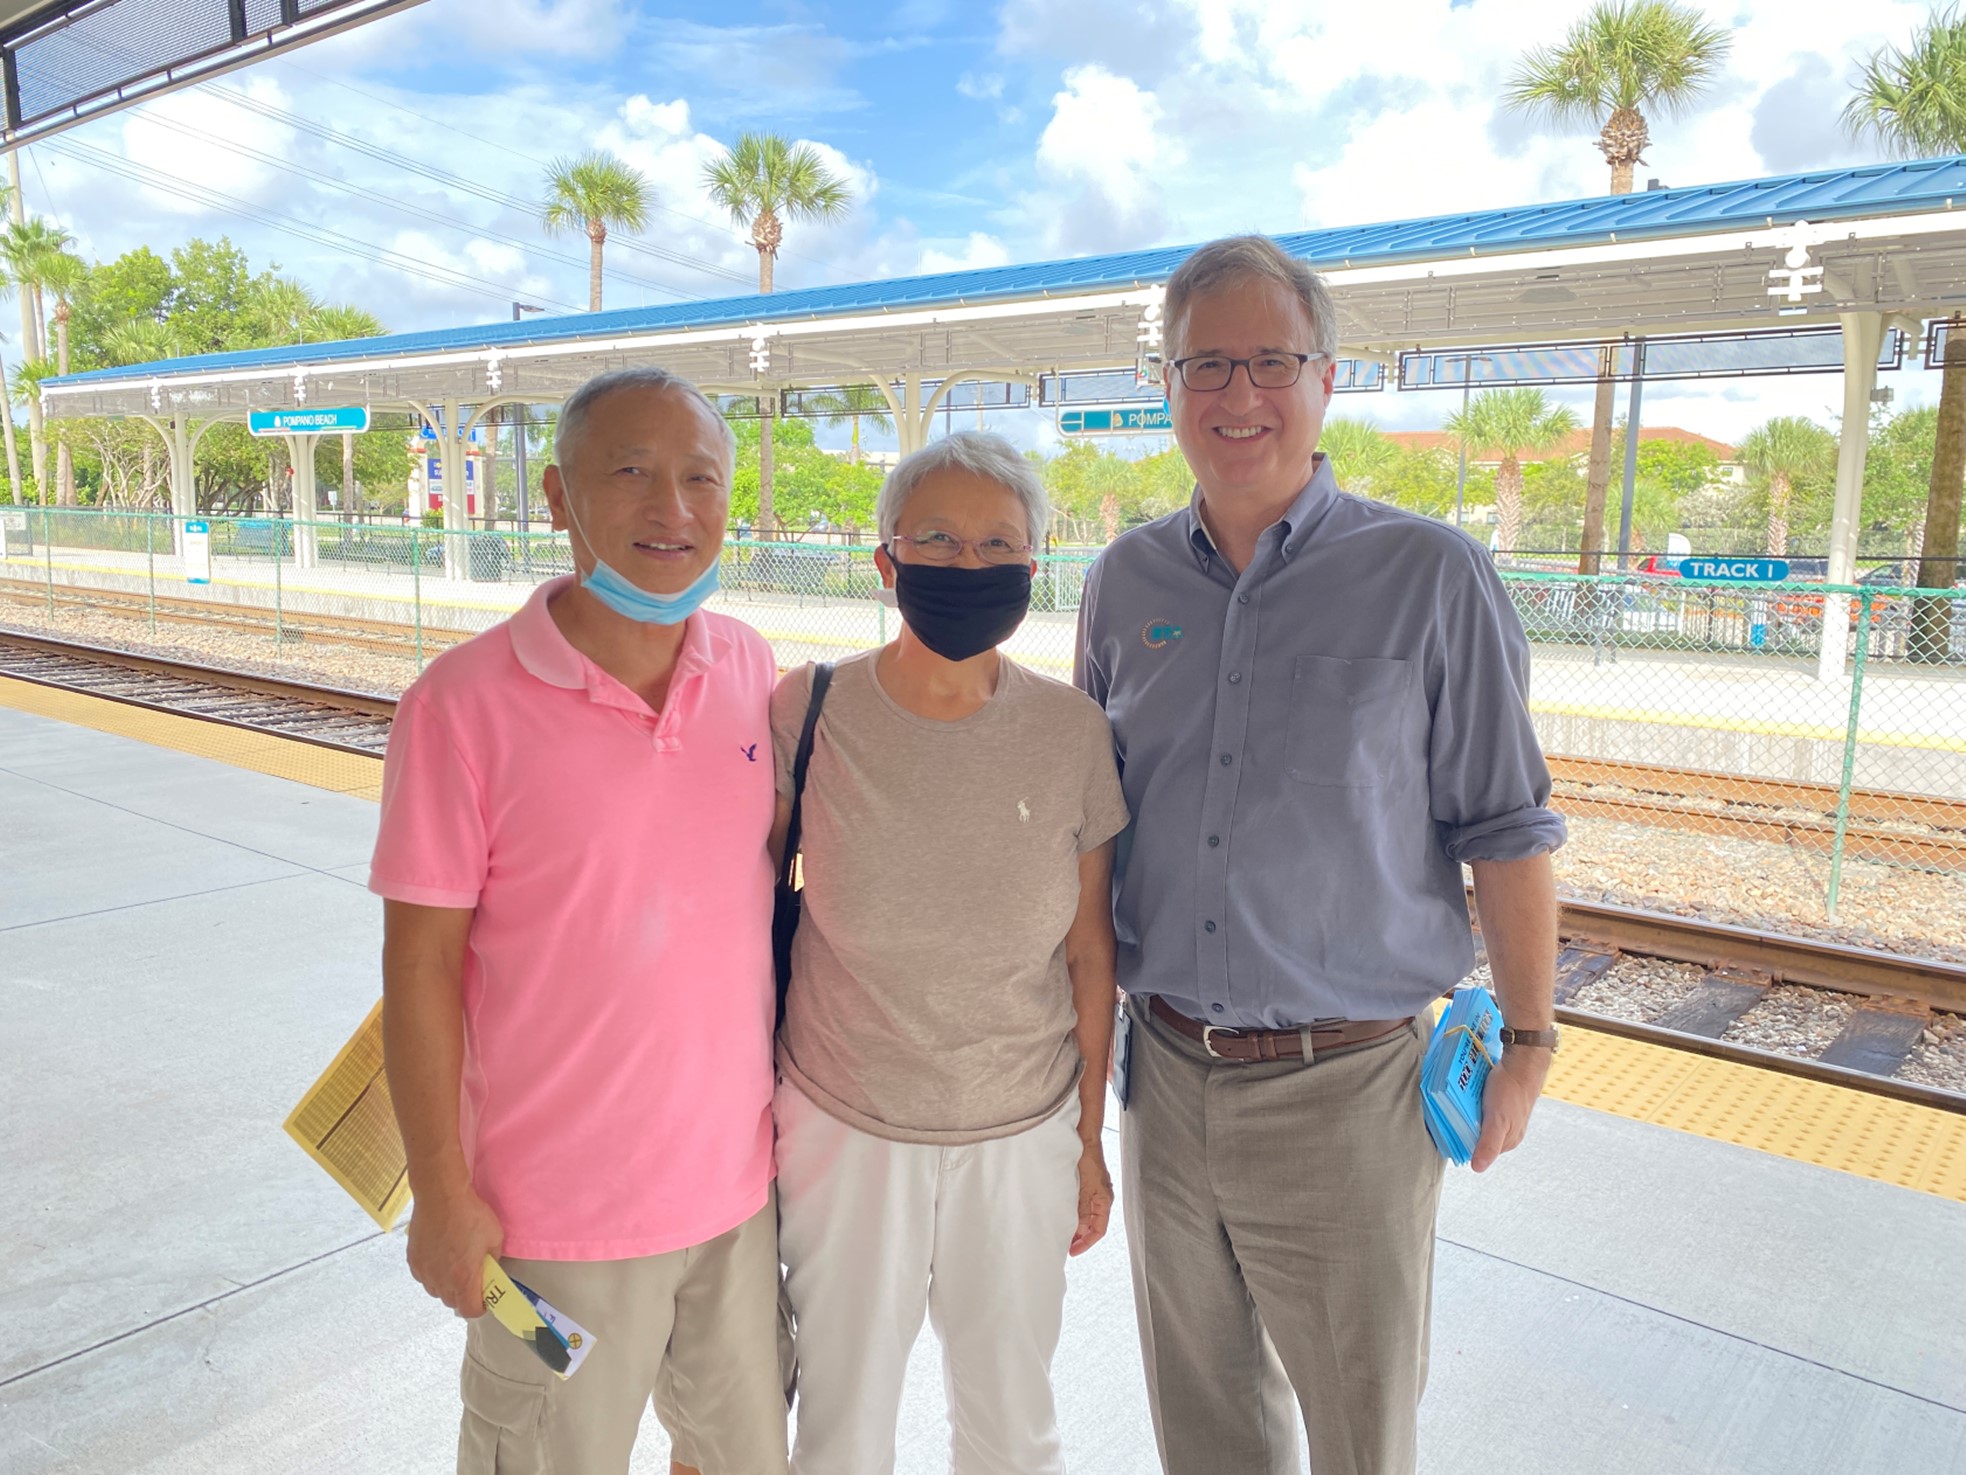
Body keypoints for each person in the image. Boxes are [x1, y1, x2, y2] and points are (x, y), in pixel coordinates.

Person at [1075, 236, 1567, 1475]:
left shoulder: (1429, 574)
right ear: (1168, 385)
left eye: (1269, 361)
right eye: (1205, 365)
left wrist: (1529, 1038)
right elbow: (1087, 827)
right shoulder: (1122, 581)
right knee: (1206, 1427)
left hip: (1351, 1092)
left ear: (1327, 376)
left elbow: (1506, 827)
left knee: (1359, 1436)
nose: (1239, 395)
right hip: (1167, 1077)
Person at [372, 366, 788, 1475]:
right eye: (632, 472)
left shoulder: (750, 667)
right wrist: (440, 1196)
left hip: (737, 1201)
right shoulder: (459, 706)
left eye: (701, 477)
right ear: (557, 496)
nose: (674, 507)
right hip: (549, 1227)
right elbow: (418, 966)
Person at [769, 431, 1128, 1475]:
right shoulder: (812, 707)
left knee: (1013, 1425)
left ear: (1032, 566)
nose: (967, 564)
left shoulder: (1071, 732)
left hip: (1020, 1132)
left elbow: (1090, 952)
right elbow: (741, 897)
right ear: (885, 560)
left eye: (996, 543)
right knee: (839, 1421)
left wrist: (1088, 1140)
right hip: (843, 1122)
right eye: (936, 538)